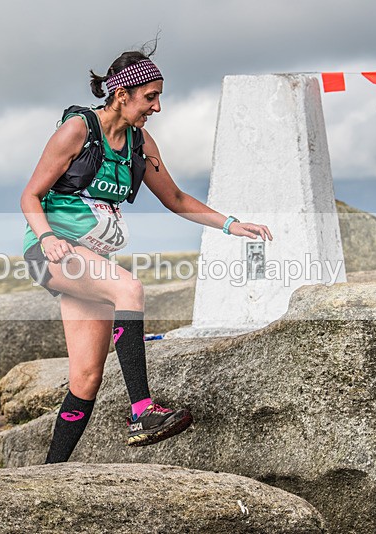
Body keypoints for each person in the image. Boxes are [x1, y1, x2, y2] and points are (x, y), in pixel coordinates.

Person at [19, 47, 272, 463]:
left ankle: (47, 472)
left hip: (90, 256)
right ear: (122, 94)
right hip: (49, 251)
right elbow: (30, 195)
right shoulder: (77, 131)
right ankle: (141, 412)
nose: (157, 106)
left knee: (86, 377)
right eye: (150, 97)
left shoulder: (140, 140)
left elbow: (173, 197)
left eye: (158, 97)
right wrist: (46, 237)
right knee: (128, 288)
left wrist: (231, 224)